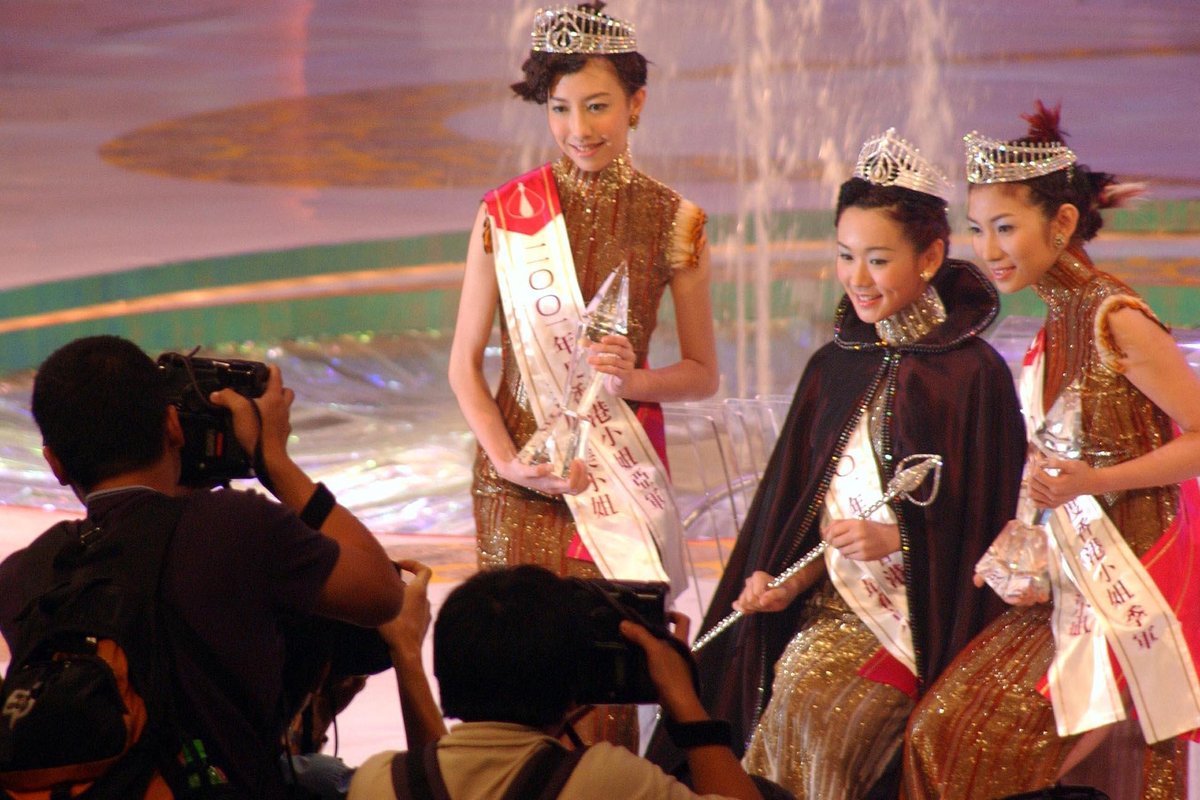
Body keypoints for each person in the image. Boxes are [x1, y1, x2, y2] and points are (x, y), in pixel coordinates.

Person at [648, 130, 1026, 798]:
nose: (857, 278)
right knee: (747, 704)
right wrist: (783, 582)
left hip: (921, 616)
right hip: (826, 606)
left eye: (878, 259)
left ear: (931, 255)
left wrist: (899, 537)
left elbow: (994, 520)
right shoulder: (835, 366)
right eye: (846, 256)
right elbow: (798, 508)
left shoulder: (972, 376)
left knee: (827, 720)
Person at [903, 103, 1200, 799]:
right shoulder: (1056, 317)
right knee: (941, 731)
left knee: (969, 740)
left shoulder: (1111, 315)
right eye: (978, 230)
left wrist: (1096, 477)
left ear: (1061, 224)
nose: (990, 248)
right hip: (1067, 579)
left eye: (1006, 228)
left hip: (1127, 578)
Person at [0, 335, 405, 799]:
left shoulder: (21, 576)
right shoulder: (235, 527)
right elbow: (383, 593)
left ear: (54, 463)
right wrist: (273, 461)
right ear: (172, 426)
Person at [447, 1, 718, 587]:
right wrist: (507, 463)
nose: (579, 130)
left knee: (605, 660)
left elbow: (703, 373)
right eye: (560, 109)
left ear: (635, 103)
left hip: (615, 471)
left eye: (597, 107)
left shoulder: (677, 220)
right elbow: (464, 366)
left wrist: (634, 381)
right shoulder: (505, 213)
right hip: (513, 473)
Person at [347, 564, 766, 800]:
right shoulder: (605, 781)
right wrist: (684, 704)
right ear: (576, 683)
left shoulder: (378, 782)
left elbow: (445, 778)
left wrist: (406, 657)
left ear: (444, 672)